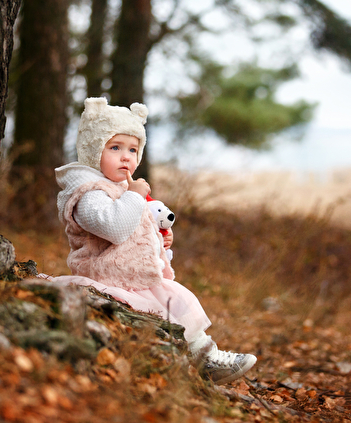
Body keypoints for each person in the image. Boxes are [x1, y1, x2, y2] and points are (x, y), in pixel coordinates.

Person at [43, 97, 256, 385]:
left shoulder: (121, 188)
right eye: (115, 148)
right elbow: (115, 228)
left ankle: (206, 357)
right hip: (105, 279)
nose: (126, 157)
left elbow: (135, 230)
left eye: (132, 149)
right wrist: (135, 195)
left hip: (132, 277)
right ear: (93, 150)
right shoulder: (87, 193)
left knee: (176, 303)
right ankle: (197, 360)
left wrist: (159, 239)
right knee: (164, 309)